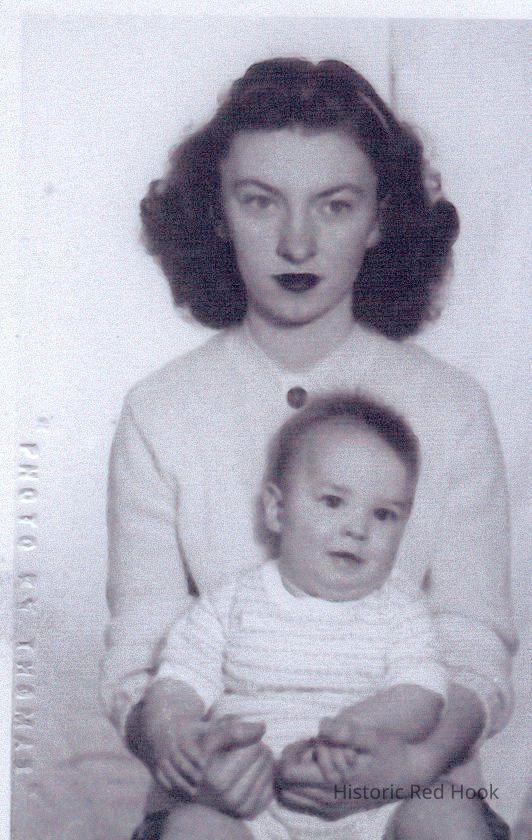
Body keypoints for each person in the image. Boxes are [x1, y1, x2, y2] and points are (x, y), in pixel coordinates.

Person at [100, 58, 515, 838]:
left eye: (335, 205)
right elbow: (143, 651)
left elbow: (472, 640)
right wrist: (187, 753)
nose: (297, 242)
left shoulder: (453, 406)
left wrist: (417, 762)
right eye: (260, 201)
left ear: (380, 219)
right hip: (229, 798)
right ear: (216, 213)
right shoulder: (160, 410)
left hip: (413, 790)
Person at [144, 393, 485, 840]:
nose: (357, 528)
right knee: (191, 826)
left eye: (384, 514)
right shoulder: (230, 603)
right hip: (250, 805)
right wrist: (178, 736)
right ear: (277, 510)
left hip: (374, 795)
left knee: (449, 809)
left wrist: (352, 731)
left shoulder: (401, 610)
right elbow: (178, 681)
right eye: (333, 501)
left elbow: (422, 694)